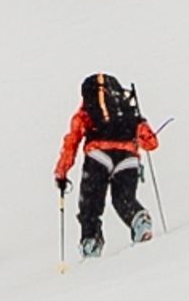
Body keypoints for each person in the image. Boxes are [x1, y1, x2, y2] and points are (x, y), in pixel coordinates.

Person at [53, 72, 159, 258]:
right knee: (123, 198)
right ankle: (139, 220)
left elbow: (72, 141)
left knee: (90, 205)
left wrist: (61, 172)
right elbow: (151, 143)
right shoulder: (128, 110)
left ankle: (91, 242)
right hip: (128, 157)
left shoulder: (85, 112)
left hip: (98, 156)